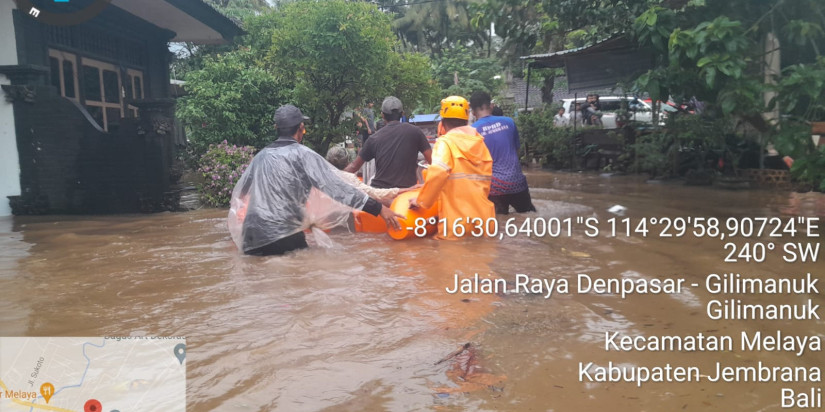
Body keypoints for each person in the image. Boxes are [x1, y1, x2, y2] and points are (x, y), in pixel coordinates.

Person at [229, 105, 402, 256]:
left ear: (276, 128)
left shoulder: (261, 157)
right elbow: (338, 189)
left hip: (250, 237)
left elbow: (241, 193)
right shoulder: (304, 155)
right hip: (283, 236)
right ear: (301, 128)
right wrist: (379, 209)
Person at [409, 96, 495, 240]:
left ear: (442, 123)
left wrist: (420, 201)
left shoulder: (445, 143)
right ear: (467, 120)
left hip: (456, 224)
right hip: (484, 221)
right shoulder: (480, 143)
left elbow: (438, 172)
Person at [469, 91, 536, 215]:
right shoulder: (509, 122)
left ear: (473, 112)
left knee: (498, 225)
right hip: (517, 182)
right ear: (492, 106)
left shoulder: (472, 131)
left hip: (494, 187)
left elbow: (474, 163)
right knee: (530, 216)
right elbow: (517, 150)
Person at [345, 96, 432, 189]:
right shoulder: (416, 132)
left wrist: (334, 176)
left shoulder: (374, 138)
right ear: (402, 114)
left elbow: (354, 166)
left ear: (382, 115)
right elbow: (433, 161)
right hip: (407, 193)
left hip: (381, 193)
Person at [326, 146, 408, 206]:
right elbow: (374, 193)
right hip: (346, 222)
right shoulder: (349, 179)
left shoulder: (321, 176)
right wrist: (402, 190)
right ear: (347, 162)